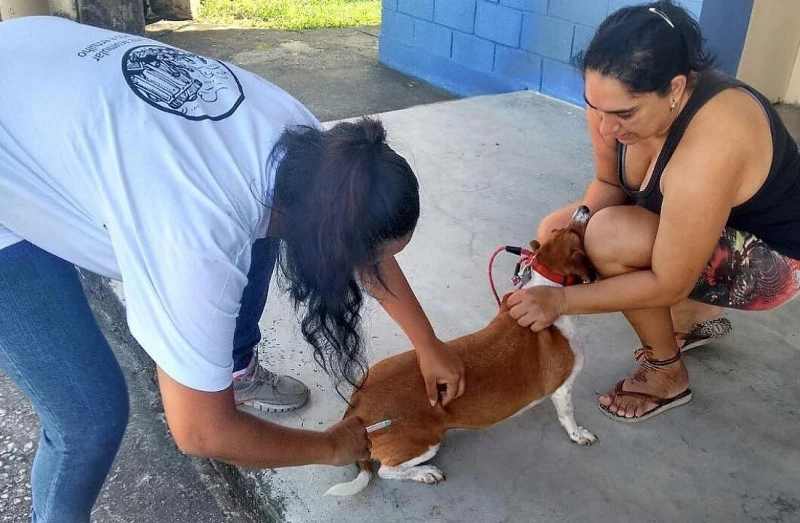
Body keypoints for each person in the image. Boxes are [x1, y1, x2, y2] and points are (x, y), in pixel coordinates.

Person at [0, 16, 464, 522]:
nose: (372, 267)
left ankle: (232, 369)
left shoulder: (316, 157)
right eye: (365, 258)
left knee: (263, 231)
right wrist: (329, 446)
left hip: (35, 67)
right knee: (88, 418)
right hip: (17, 134)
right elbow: (201, 432)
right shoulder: (195, 242)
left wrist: (429, 345)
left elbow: (353, 240)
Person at [507, 1, 800, 423]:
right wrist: (567, 235)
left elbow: (668, 281)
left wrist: (560, 299)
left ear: (675, 88)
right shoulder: (612, 97)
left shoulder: (712, 144)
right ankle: (692, 319)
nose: (605, 128)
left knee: (610, 239)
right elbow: (609, 184)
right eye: (595, 107)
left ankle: (666, 372)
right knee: (558, 228)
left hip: (778, 260)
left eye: (623, 114)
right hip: (709, 228)